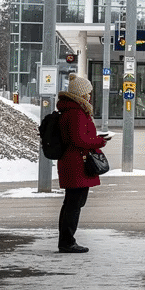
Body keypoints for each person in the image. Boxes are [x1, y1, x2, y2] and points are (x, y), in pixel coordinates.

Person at [56, 74, 111, 253]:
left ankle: (66, 240)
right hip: (77, 163)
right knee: (74, 204)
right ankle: (67, 241)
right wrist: (99, 142)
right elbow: (79, 140)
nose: (89, 96)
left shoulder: (71, 110)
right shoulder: (76, 112)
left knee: (71, 203)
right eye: (88, 92)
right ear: (81, 94)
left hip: (72, 162)